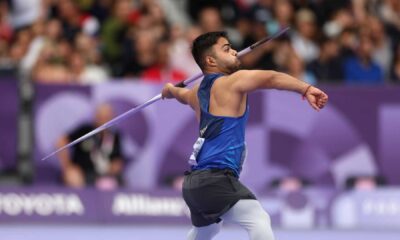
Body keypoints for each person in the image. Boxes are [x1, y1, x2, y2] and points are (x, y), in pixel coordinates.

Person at [161, 31, 328, 240]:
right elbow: (272, 77)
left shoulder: (194, 93)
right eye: (226, 48)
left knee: (208, 230)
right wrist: (306, 89)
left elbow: (179, 94)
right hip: (216, 179)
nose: (234, 51)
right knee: (258, 219)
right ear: (210, 60)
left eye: (232, 47)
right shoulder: (233, 82)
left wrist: (168, 90)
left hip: (194, 184)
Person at [57, 103, 124, 190]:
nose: (103, 121)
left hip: (103, 175)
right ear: (95, 117)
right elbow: (60, 141)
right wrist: (68, 167)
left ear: (112, 117)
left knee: (110, 184)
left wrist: (113, 168)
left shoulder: (115, 136)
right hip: (82, 173)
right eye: (101, 117)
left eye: (107, 117)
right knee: (73, 177)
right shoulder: (85, 131)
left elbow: (118, 161)